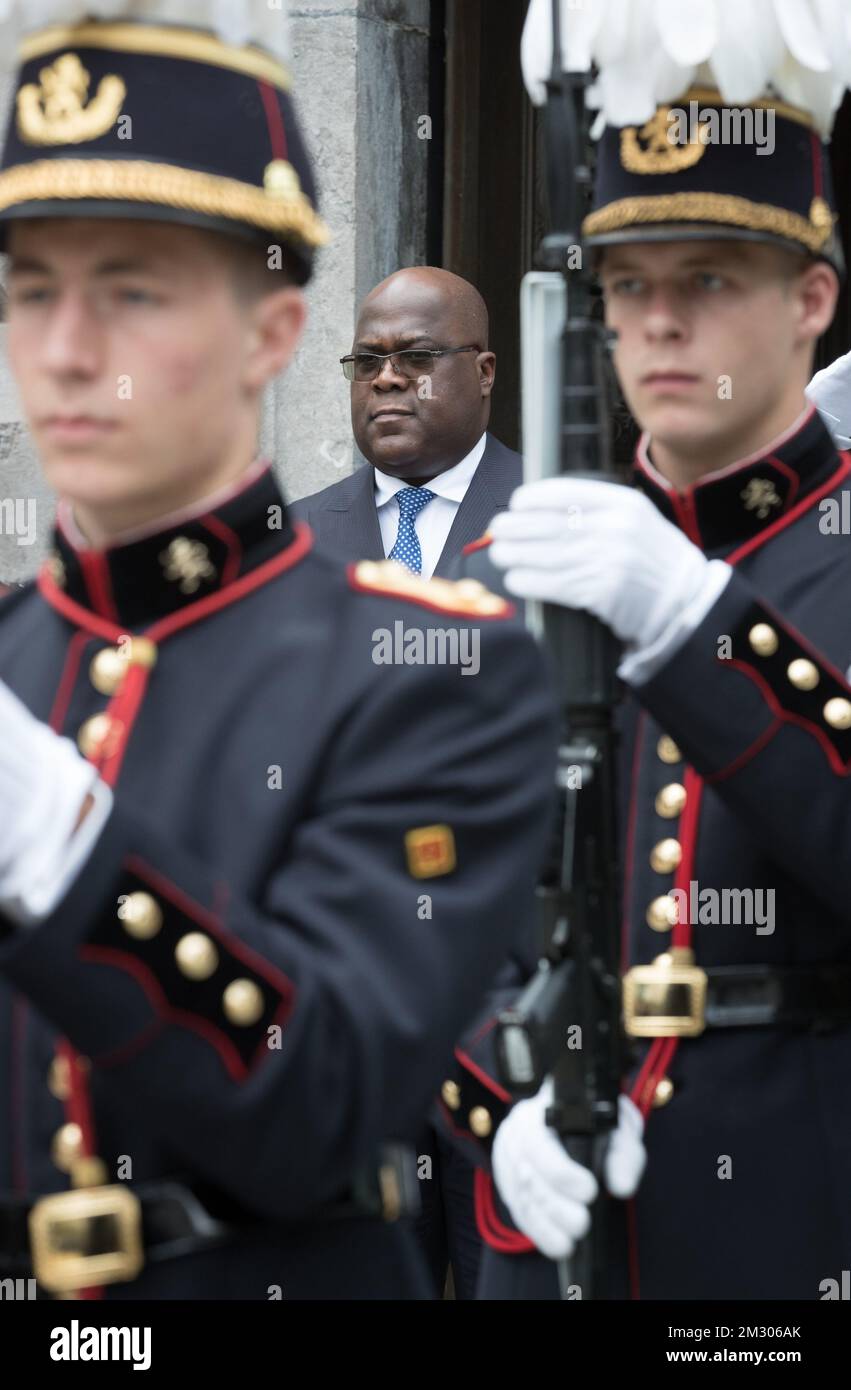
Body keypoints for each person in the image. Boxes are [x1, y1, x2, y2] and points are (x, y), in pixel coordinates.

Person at [0, 7, 556, 1299]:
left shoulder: (424, 666)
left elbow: (329, 1099)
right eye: (32, 290)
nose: (69, 350)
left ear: (270, 332)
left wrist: (59, 844)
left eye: (132, 290)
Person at [444, 5, 851, 1300]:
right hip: (560, 1237)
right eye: (627, 285)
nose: (657, 325)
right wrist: (486, 1113)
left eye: (707, 279)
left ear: (808, 299)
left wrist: (698, 628)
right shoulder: (506, 569)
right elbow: (417, 904)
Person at [291, 267, 521, 579]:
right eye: (367, 362)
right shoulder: (294, 536)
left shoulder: (555, 513)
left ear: (484, 374)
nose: (385, 379)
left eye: (417, 356)